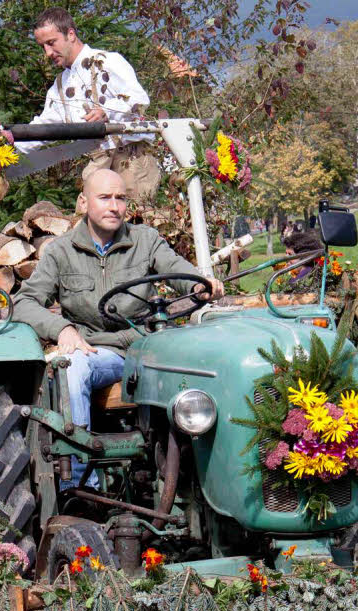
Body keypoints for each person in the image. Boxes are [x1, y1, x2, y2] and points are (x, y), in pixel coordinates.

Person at [13, 170, 222, 487]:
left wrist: (202, 285)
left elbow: (178, 271)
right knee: (73, 367)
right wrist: (62, 329)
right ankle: (80, 487)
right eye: (104, 197)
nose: (114, 206)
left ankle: (207, 479)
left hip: (148, 347)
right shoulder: (61, 251)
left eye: (120, 198)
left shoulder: (145, 240)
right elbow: (24, 302)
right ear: (84, 202)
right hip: (101, 352)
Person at [14, 8, 160, 206]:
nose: (47, 53)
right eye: (43, 47)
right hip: (98, 163)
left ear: (71, 34)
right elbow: (42, 129)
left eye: (51, 43)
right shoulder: (59, 87)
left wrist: (107, 111)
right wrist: (5, 148)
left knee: (137, 225)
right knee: (89, 226)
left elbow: (139, 98)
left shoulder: (108, 61)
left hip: (132, 160)